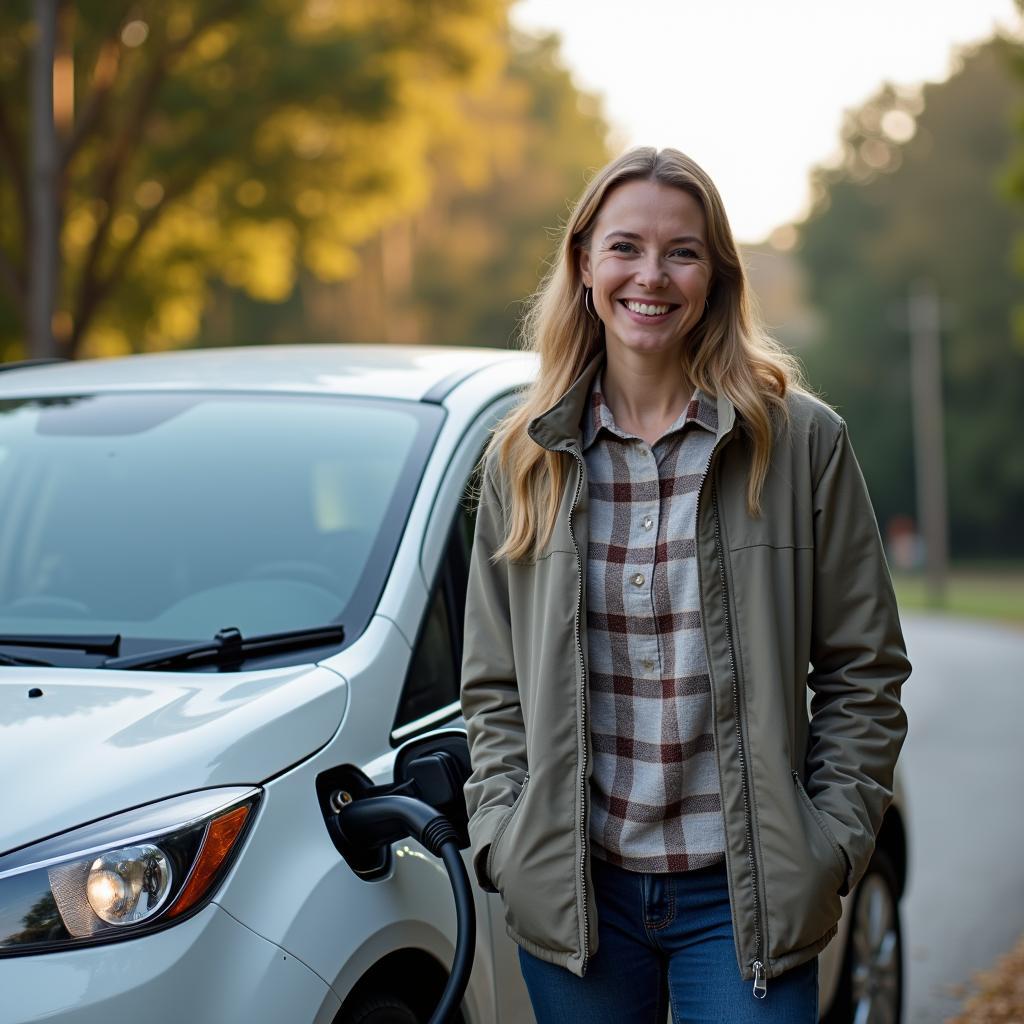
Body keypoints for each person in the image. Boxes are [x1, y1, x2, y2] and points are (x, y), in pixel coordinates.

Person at [459, 147, 910, 1023]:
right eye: (625, 247)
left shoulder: (801, 445)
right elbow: (493, 687)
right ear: (585, 264)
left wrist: (829, 846)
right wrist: (504, 841)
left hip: (743, 903)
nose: (651, 276)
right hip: (578, 900)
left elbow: (865, 672)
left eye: (683, 252)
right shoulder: (524, 460)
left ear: (717, 276)